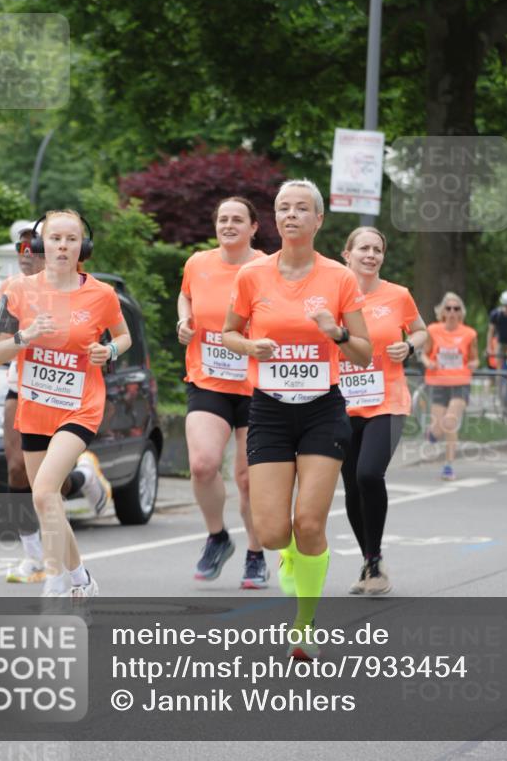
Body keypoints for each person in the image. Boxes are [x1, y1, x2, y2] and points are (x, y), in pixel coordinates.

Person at [222, 179, 372, 658]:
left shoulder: (339, 278)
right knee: (271, 532)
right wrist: (251, 346)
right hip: (268, 409)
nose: (291, 215)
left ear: (318, 219)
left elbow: (364, 353)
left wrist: (337, 333)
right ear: (275, 218)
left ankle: (305, 625)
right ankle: (288, 556)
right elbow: (228, 333)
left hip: (321, 409)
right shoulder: (253, 275)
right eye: (284, 207)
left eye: (302, 208)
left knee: (308, 522)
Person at [0, 210, 131, 596]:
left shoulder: (101, 294)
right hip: (35, 407)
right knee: (47, 499)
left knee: (43, 491)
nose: (63, 246)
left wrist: (109, 350)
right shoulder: (15, 290)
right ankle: (82, 579)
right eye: (55, 239)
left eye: (71, 239)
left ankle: (55, 582)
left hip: (80, 405)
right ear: (40, 244)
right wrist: (26, 336)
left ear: (83, 246)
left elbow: (123, 336)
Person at [177, 197, 268, 587]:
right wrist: (184, 320)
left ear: (253, 227)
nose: (228, 225)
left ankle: (255, 554)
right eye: (222, 219)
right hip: (208, 379)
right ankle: (217, 536)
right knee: (202, 465)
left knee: (248, 479)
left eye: (237, 219)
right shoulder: (198, 263)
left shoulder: (267, 268)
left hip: (257, 386)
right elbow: (186, 295)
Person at [339, 227, 427, 596]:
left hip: (388, 400)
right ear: (347, 254)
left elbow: (421, 331)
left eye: (377, 250)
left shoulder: (397, 295)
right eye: (364, 248)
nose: (371, 255)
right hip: (342, 403)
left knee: (369, 474)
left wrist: (409, 346)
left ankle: (374, 560)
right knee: (351, 486)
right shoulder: (332, 295)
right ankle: (369, 560)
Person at [421, 292, 479, 481]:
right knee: (438, 429)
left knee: (449, 423)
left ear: (461, 312)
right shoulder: (433, 330)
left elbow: (475, 358)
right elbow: (424, 353)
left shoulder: (469, 334)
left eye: (456, 308)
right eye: (449, 308)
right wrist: (428, 363)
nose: (452, 312)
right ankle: (432, 433)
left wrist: (474, 364)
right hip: (437, 383)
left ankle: (448, 465)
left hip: (460, 383)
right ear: (442, 311)